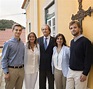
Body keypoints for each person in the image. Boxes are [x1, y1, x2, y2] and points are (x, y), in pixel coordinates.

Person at [66, 20, 92, 89]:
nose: (73, 30)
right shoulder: (72, 41)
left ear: (79, 28)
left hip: (80, 73)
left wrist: (85, 73)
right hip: (71, 71)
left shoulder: (86, 41)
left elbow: (88, 58)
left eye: (75, 27)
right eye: (71, 28)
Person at [1, 24, 24, 89]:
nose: (18, 32)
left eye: (20, 30)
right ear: (12, 30)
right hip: (11, 70)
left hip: (21, 70)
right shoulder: (8, 43)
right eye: (16, 30)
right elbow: (4, 58)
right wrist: (6, 72)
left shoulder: (22, 44)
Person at [38, 24, 55, 89]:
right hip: (41, 66)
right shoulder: (38, 40)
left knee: (51, 84)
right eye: (43, 29)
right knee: (42, 84)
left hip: (51, 66)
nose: (44, 30)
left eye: (46, 29)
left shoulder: (54, 40)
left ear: (49, 30)